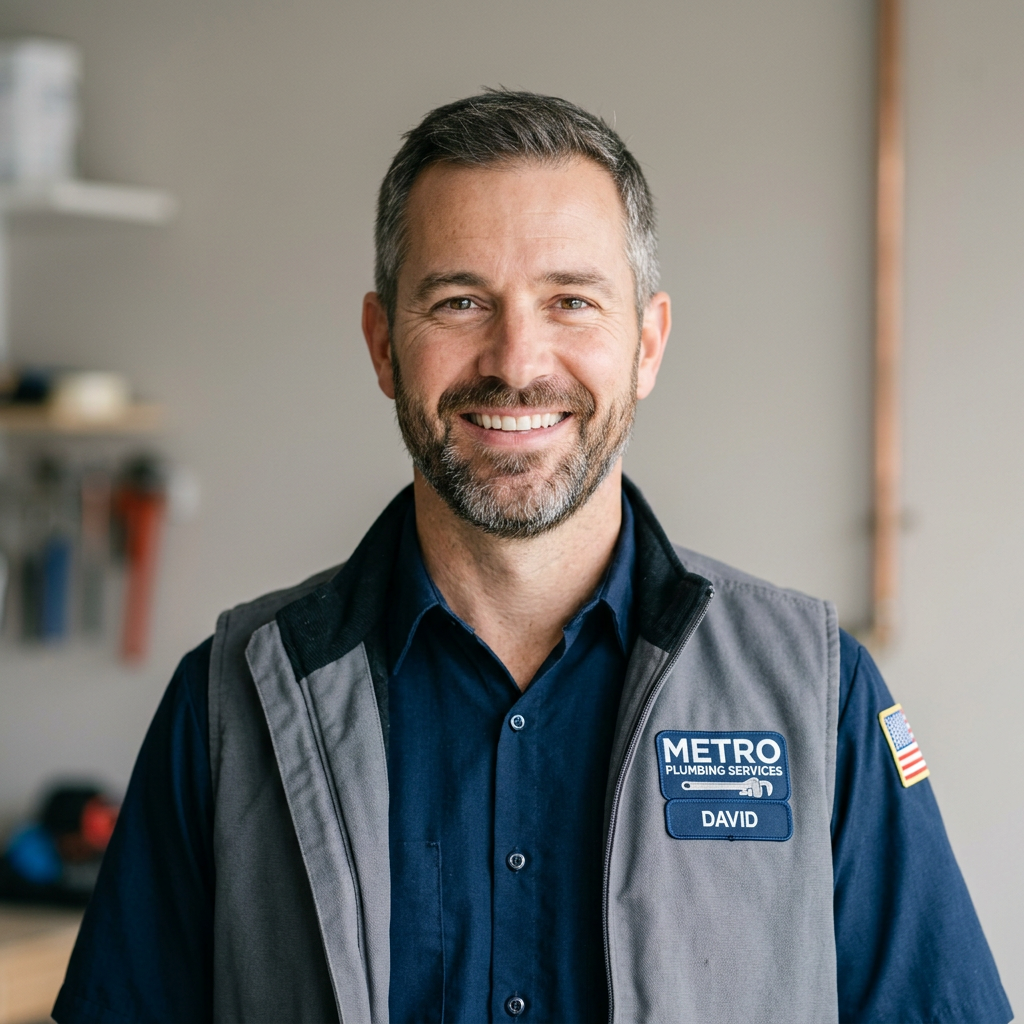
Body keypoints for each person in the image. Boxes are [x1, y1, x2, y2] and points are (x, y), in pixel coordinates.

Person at [54, 91, 1011, 1024]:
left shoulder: (814, 689)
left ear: (647, 344)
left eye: (571, 301)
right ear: (384, 345)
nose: (517, 360)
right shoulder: (234, 701)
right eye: (462, 300)